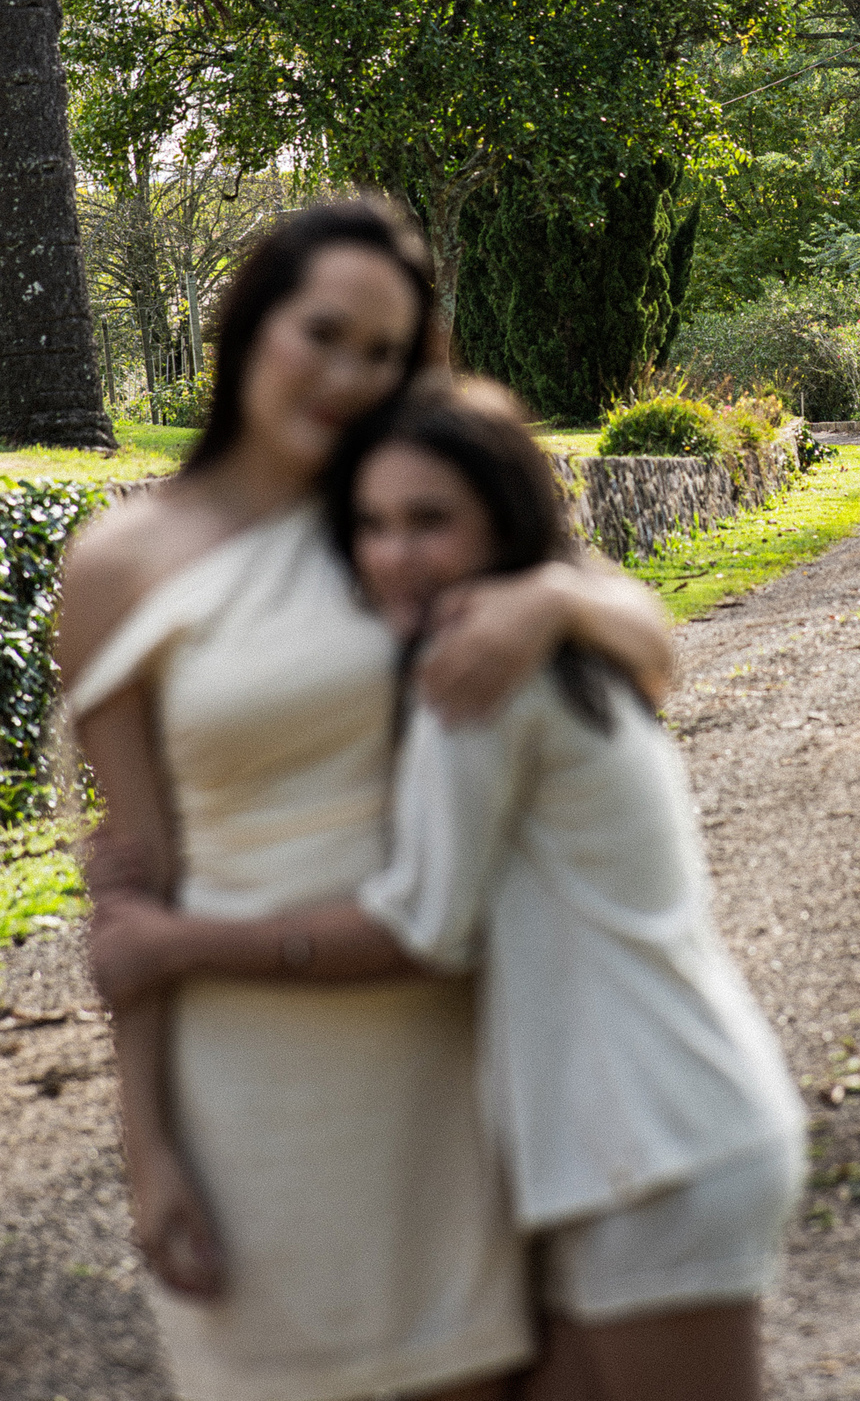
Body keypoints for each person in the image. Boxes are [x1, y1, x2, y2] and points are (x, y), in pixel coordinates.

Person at [58, 203, 673, 1401]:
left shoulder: (405, 510)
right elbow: (137, 886)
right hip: (253, 1083)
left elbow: (647, 645)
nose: (348, 376)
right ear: (253, 325)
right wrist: (150, 1150)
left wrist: (552, 600)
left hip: (466, 1059)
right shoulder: (120, 563)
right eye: (323, 333)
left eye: (383, 353)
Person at [89, 374, 804, 1401]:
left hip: (650, 1143)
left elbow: (423, 928)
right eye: (373, 526)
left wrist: (174, 944)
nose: (395, 555)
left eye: (430, 522)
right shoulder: (549, 638)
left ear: (500, 519)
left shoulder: (480, 676)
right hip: (641, 1137)